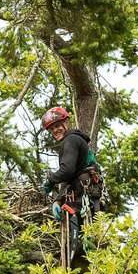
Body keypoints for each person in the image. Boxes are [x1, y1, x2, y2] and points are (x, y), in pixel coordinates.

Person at [40, 106, 102, 261]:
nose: (55, 130)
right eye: (51, 129)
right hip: (82, 197)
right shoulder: (74, 141)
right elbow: (71, 178)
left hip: (83, 200)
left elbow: (67, 170)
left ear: (66, 122)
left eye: (57, 125)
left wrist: (50, 181)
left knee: (79, 247)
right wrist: (59, 200)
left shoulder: (71, 139)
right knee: (84, 242)